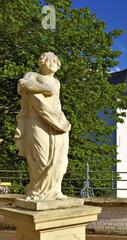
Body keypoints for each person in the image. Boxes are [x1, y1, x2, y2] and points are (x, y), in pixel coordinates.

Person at [14, 52, 71, 200]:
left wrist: (59, 120)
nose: (54, 64)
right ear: (42, 62)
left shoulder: (57, 82)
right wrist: (46, 88)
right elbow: (23, 85)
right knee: (40, 157)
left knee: (59, 158)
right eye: (50, 60)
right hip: (37, 121)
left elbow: (56, 102)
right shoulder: (32, 75)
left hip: (57, 122)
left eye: (56, 62)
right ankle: (37, 191)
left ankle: (55, 190)